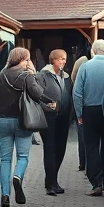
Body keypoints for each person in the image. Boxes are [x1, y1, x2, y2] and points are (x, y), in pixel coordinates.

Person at [0, 47, 53, 207]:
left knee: (5, 159)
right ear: (21, 60)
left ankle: (4, 195)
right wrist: (34, 75)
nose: (28, 62)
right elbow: (38, 94)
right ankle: (17, 176)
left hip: (3, 121)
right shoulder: (27, 77)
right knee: (23, 156)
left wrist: (1, 112)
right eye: (27, 59)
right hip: (23, 120)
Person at [73, 39, 104, 196]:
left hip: (89, 110)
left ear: (93, 51)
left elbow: (77, 92)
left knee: (91, 146)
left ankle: (96, 183)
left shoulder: (85, 67)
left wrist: (79, 114)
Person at [38, 49, 72, 196]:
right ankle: (49, 183)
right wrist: (47, 105)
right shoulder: (43, 75)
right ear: (52, 60)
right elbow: (37, 94)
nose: (63, 62)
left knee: (61, 148)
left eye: (64, 59)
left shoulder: (66, 76)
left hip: (64, 116)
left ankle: (54, 179)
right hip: (48, 117)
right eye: (60, 59)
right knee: (50, 148)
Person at [70, 53, 89, 171]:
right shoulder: (86, 77)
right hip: (86, 110)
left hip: (80, 112)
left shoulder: (74, 81)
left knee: (82, 138)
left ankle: (82, 162)